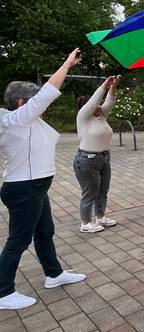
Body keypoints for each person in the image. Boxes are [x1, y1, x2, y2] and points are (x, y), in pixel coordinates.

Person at [0, 49, 87, 310]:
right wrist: (67, 64)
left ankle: (53, 274)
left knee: (45, 232)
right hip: (24, 189)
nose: (42, 105)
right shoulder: (15, 120)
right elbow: (46, 94)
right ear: (21, 103)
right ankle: (3, 292)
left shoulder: (26, 121)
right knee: (18, 240)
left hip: (36, 188)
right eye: (34, 100)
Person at [73, 75, 121, 233]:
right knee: (90, 193)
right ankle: (86, 223)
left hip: (104, 158)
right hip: (87, 160)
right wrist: (104, 85)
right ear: (87, 107)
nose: (99, 106)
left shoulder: (101, 116)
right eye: (96, 105)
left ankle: (100, 217)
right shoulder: (83, 117)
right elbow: (94, 100)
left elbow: (110, 101)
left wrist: (113, 86)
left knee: (102, 191)